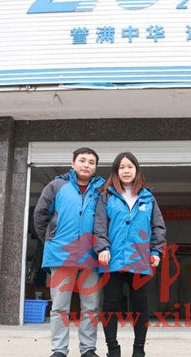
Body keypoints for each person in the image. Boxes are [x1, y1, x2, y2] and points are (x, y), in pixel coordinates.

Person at [34, 147, 105, 357]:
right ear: (72, 164)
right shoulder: (56, 185)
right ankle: (59, 350)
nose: (86, 165)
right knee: (59, 307)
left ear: (95, 167)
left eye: (91, 162)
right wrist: (51, 240)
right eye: (82, 160)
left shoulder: (102, 189)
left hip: (91, 256)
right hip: (61, 255)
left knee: (91, 307)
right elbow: (40, 214)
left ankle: (88, 349)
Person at [94, 152, 166, 357]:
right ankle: (113, 350)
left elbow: (158, 226)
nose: (126, 171)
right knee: (110, 305)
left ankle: (139, 350)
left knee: (140, 306)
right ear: (116, 171)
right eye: (122, 167)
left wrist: (156, 250)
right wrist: (102, 248)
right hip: (112, 260)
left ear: (136, 170)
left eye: (130, 167)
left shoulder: (148, 197)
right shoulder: (106, 196)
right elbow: (99, 226)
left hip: (140, 260)